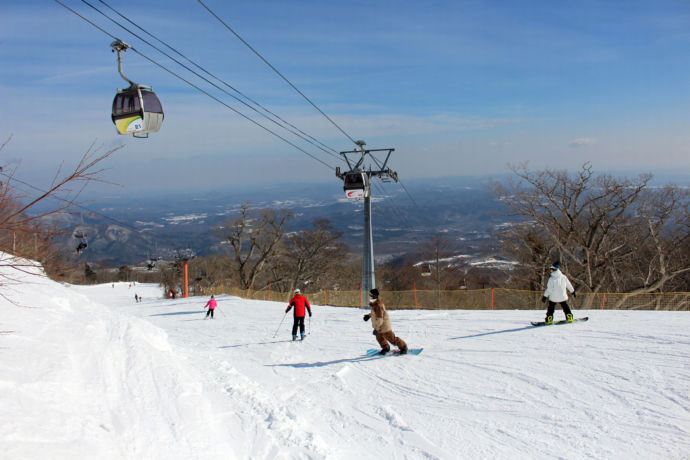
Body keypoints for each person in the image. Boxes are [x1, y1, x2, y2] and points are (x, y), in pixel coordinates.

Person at [363, 288, 407, 355]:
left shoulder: (378, 305)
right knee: (379, 338)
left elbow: (380, 319)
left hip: (384, 326)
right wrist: (369, 316)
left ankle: (403, 347)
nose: (369, 297)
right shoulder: (375, 303)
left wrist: (376, 329)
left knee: (392, 339)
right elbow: (375, 314)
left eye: (370, 295)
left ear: (374, 296)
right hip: (379, 326)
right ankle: (385, 348)